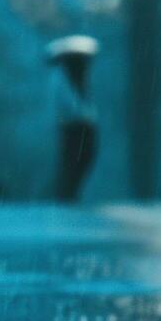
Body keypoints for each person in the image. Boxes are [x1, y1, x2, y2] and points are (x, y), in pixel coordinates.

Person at [47, 36, 99, 202]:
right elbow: (67, 104)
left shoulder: (78, 76)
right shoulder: (60, 77)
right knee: (74, 161)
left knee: (82, 160)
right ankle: (67, 196)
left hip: (82, 126)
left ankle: (70, 195)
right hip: (73, 126)